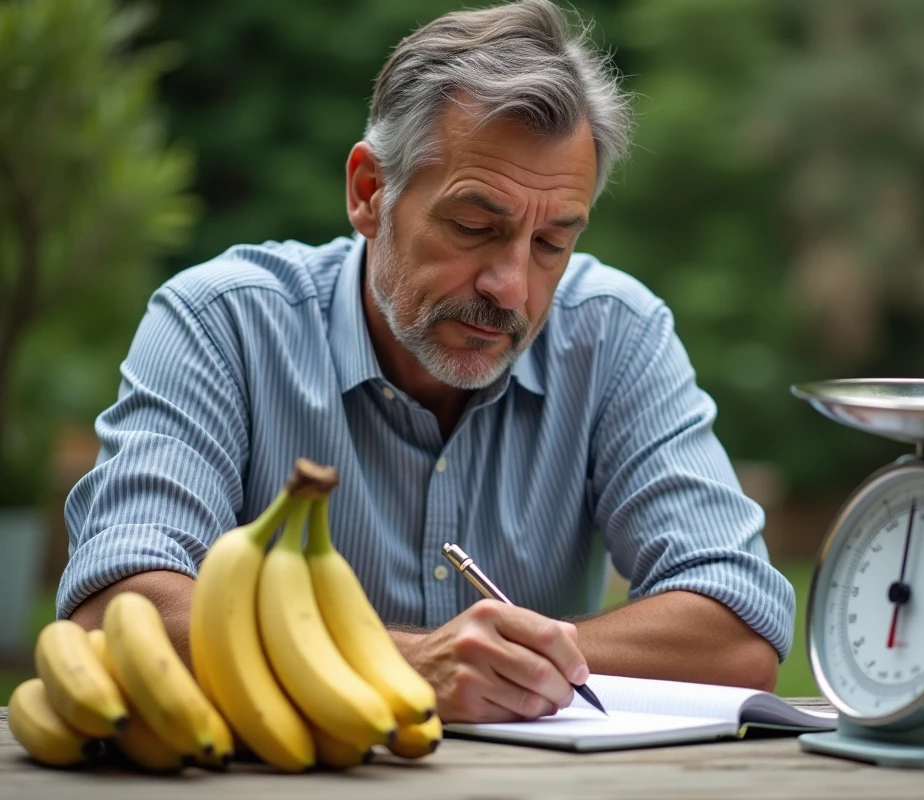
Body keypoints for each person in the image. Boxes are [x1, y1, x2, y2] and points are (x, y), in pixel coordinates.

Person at [58, 0, 795, 723]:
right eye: (475, 226)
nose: (510, 287)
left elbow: (738, 627)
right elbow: (113, 609)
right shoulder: (221, 324)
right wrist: (409, 665)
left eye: (551, 245)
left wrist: (513, 661)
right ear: (369, 192)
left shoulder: (617, 335)